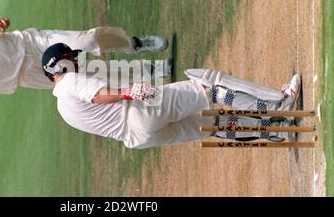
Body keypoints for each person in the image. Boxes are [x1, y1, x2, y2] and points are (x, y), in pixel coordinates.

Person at [42, 43, 301, 149]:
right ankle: (279, 103)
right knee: (208, 87)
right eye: (71, 58)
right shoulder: (69, 82)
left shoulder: (63, 109)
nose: (76, 61)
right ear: (60, 64)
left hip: (137, 138)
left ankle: (276, 130)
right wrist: (127, 93)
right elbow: (97, 97)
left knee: (213, 126)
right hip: (140, 112)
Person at [0, 18, 169, 113]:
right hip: (30, 73)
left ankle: (132, 43)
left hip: (32, 41)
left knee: (89, 39)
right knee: (89, 74)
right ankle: (152, 72)